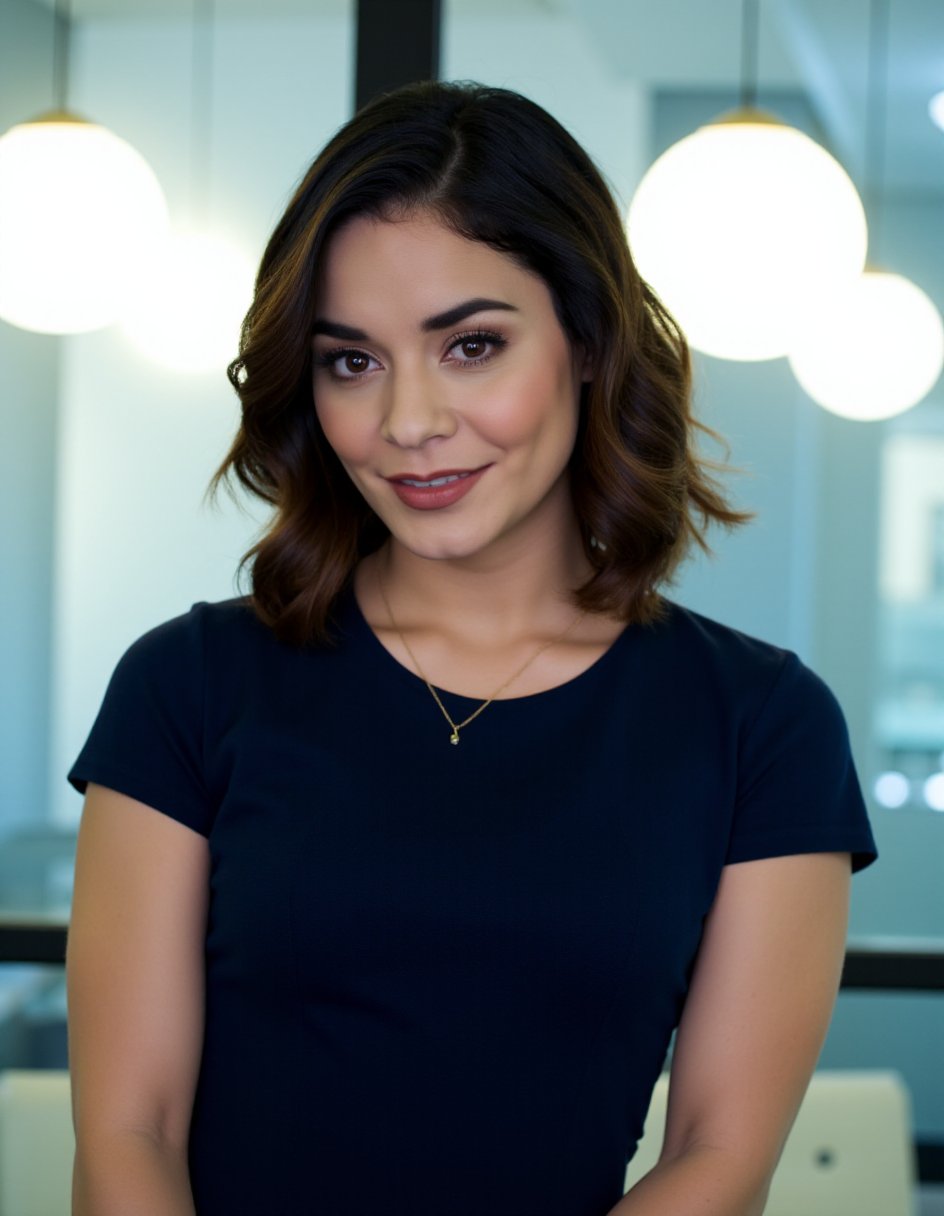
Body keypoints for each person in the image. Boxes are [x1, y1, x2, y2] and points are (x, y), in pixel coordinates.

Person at [65, 79, 878, 1216]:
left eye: (471, 346)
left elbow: (714, 1158)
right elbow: (126, 1133)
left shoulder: (759, 725)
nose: (406, 422)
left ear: (588, 341)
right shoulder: (187, 685)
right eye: (352, 360)